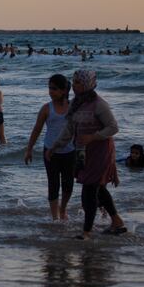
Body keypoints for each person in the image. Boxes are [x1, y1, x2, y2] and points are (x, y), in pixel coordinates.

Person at [51, 70, 126, 240]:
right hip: (83, 153)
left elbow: (113, 127)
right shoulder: (75, 104)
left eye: (78, 82)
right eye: (74, 81)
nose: (74, 85)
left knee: (89, 191)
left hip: (101, 152)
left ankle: (86, 232)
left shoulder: (99, 104)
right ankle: (117, 221)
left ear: (87, 84)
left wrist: (93, 136)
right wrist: (54, 147)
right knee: (97, 189)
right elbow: (69, 129)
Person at [24, 74, 76, 221]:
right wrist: (29, 149)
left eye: (54, 89)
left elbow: (81, 127)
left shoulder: (73, 107)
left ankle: (63, 208)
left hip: (70, 151)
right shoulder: (47, 108)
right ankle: (55, 217)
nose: (50, 91)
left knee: (68, 185)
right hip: (50, 152)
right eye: (49, 88)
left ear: (63, 90)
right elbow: (37, 129)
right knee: (53, 184)